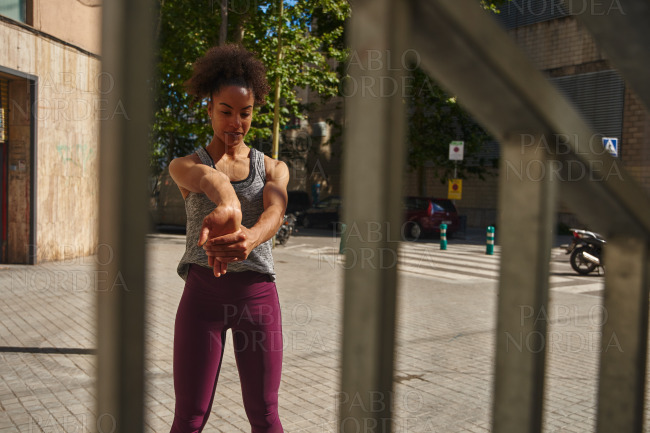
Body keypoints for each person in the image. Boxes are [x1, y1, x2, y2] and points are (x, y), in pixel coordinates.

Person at [167, 44, 289, 433]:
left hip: (258, 299)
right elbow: (208, 178)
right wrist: (227, 199)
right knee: (188, 418)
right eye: (226, 111)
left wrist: (251, 237)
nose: (236, 122)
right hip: (202, 297)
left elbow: (275, 211)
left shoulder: (273, 168)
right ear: (209, 108)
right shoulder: (185, 165)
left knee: (266, 415)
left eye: (246, 112)